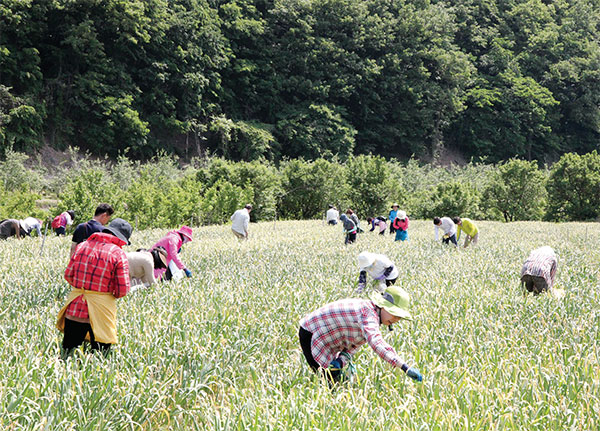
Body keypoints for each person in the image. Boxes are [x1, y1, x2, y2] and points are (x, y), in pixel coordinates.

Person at [299, 285, 422, 383]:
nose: (395, 319)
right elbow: (376, 343)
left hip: (328, 339)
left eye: (399, 317)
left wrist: (341, 361)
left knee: (334, 377)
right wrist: (405, 367)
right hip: (312, 333)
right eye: (393, 314)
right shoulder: (367, 313)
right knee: (328, 381)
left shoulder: (371, 317)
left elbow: (354, 345)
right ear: (382, 306)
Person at [56, 218, 133, 357]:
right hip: (100, 313)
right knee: (99, 360)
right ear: (121, 238)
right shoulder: (118, 253)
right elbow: (123, 290)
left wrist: (83, 287)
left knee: (67, 355)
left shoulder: (82, 246)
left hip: (74, 309)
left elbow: (68, 275)